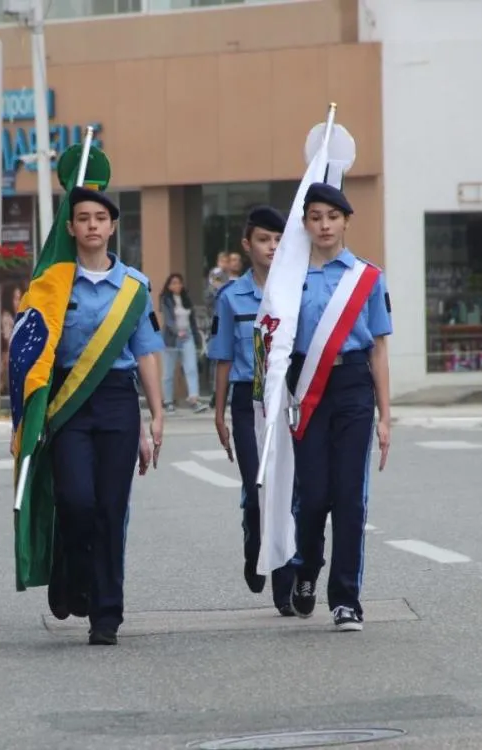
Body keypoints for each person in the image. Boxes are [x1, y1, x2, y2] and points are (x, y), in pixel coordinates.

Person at [45, 185, 165, 646]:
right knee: (76, 501)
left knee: (112, 509)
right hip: (70, 402)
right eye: (83, 217)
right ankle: (72, 573)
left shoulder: (135, 287)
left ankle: (106, 612)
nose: (92, 225)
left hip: (117, 400)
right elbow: (33, 354)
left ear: (113, 226)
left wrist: (155, 414)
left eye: (100, 217)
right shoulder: (53, 284)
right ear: (71, 227)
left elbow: (147, 353)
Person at [287, 182, 392, 632]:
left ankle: (346, 599)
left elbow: (379, 349)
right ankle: (307, 567)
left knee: (350, 497)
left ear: (346, 220)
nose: (324, 224)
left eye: (332, 216)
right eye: (315, 216)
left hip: (352, 385)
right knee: (312, 497)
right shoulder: (289, 277)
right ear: (305, 223)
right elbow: (270, 346)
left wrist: (386, 415)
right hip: (306, 386)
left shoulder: (367, 277)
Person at [209, 206, 296, 615]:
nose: (272, 247)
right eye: (264, 240)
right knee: (257, 487)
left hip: (287, 399)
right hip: (247, 400)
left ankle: (285, 578)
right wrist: (219, 411)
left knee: (288, 489)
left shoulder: (296, 291)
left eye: (279, 240)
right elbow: (223, 357)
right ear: (248, 245)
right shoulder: (231, 297)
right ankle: (253, 535)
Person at [159, 274, 207, 414]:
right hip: (171, 339)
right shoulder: (166, 300)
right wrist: (176, 332)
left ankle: (193, 399)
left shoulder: (186, 300)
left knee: (191, 368)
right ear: (168, 286)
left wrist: (196, 336)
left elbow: (192, 320)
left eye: (179, 283)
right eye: (173, 283)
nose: (177, 286)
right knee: (168, 372)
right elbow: (168, 321)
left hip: (188, 336)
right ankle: (168, 402)